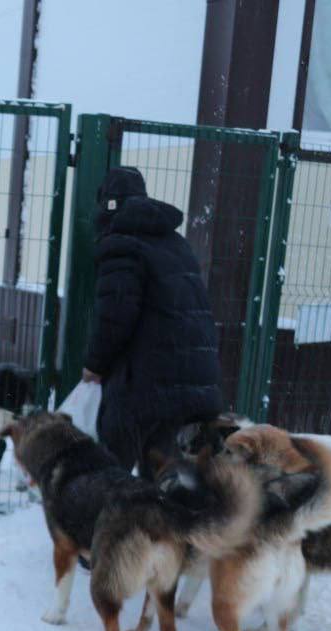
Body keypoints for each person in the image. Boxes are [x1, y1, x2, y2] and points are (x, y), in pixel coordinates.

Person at [81, 166, 222, 477]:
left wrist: (95, 364)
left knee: (110, 467)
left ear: (107, 205)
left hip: (147, 379)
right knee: (161, 470)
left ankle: (109, 520)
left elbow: (115, 315)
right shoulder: (174, 241)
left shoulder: (120, 243)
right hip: (190, 376)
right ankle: (159, 520)